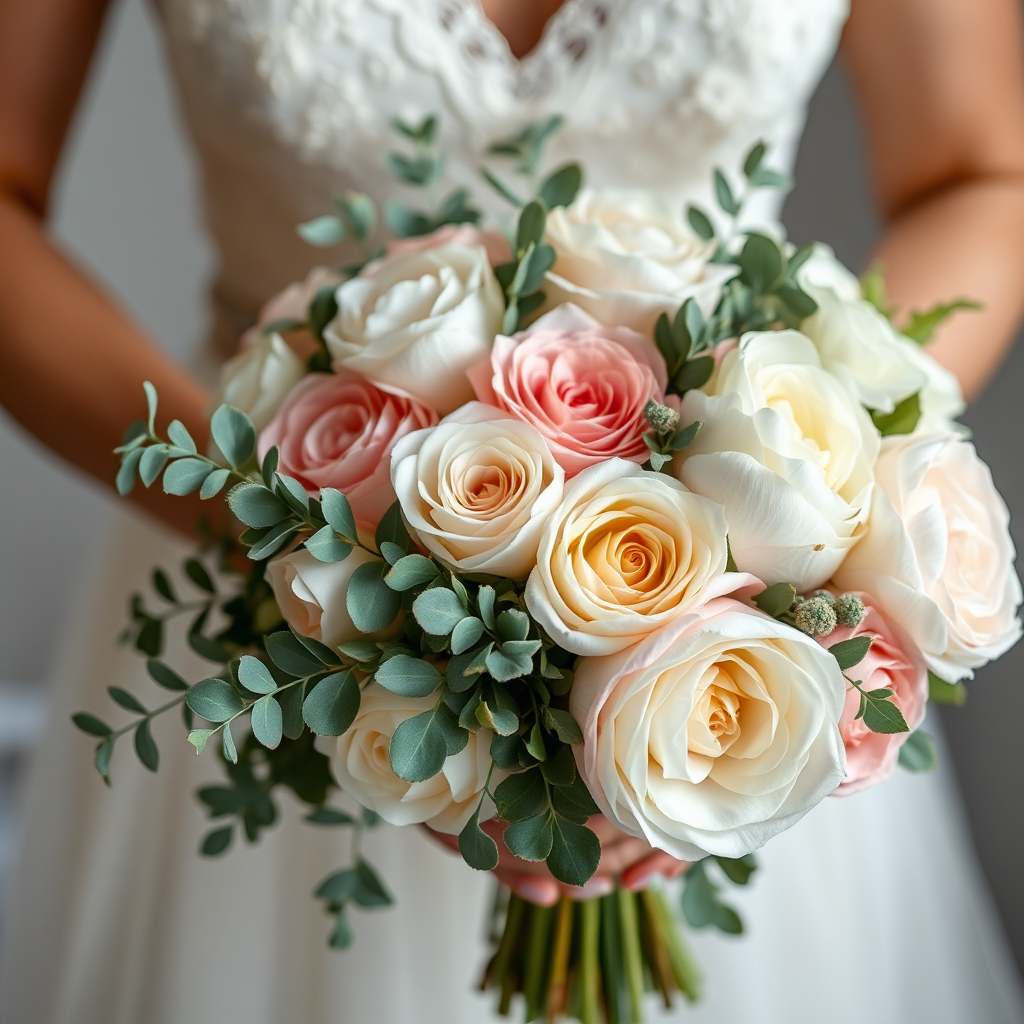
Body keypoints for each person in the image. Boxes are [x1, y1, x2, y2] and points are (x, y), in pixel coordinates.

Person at [1, 0, 1024, 1021]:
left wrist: (806, 473)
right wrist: (302, 543)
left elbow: (978, 174)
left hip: (738, 664)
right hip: (270, 577)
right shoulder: (291, 547)